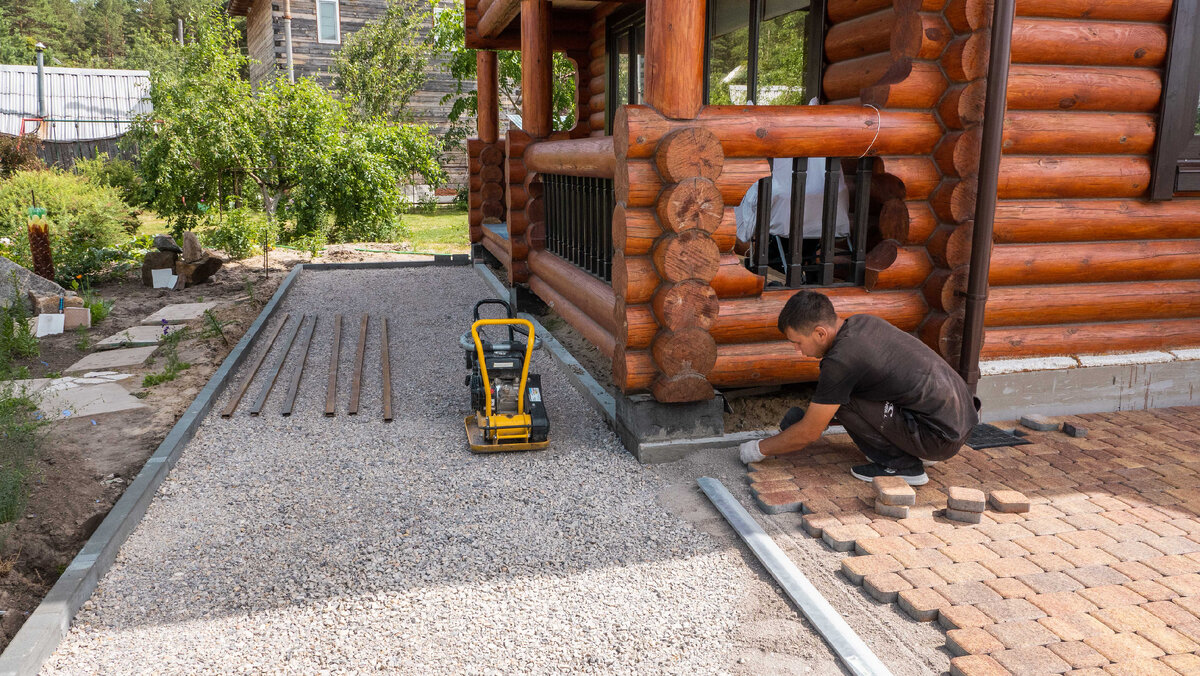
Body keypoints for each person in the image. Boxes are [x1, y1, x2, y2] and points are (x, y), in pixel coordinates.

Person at [738, 290, 980, 486]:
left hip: (939, 437)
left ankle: (900, 465)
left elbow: (809, 434)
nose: (797, 351)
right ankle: (907, 449)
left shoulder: (841, 362)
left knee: (844, 400)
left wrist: (756, 450)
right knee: (841, 395)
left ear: (820, 333)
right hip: (958, 420)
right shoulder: (862, 323)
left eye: (797, 343)